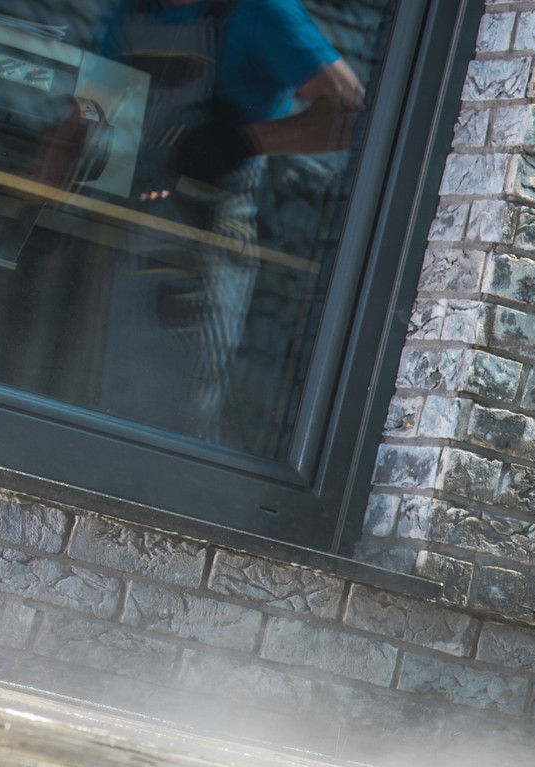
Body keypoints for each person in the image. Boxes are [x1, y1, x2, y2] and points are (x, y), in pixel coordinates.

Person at [97, 0, 364, 443]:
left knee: (178, 414)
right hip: (129, 227)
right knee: (113, 403)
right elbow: (88, 110)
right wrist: (36, 203)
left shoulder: (261, 12)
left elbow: (350, 112)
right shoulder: (136, 10)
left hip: (207, 235)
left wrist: (243, 141)